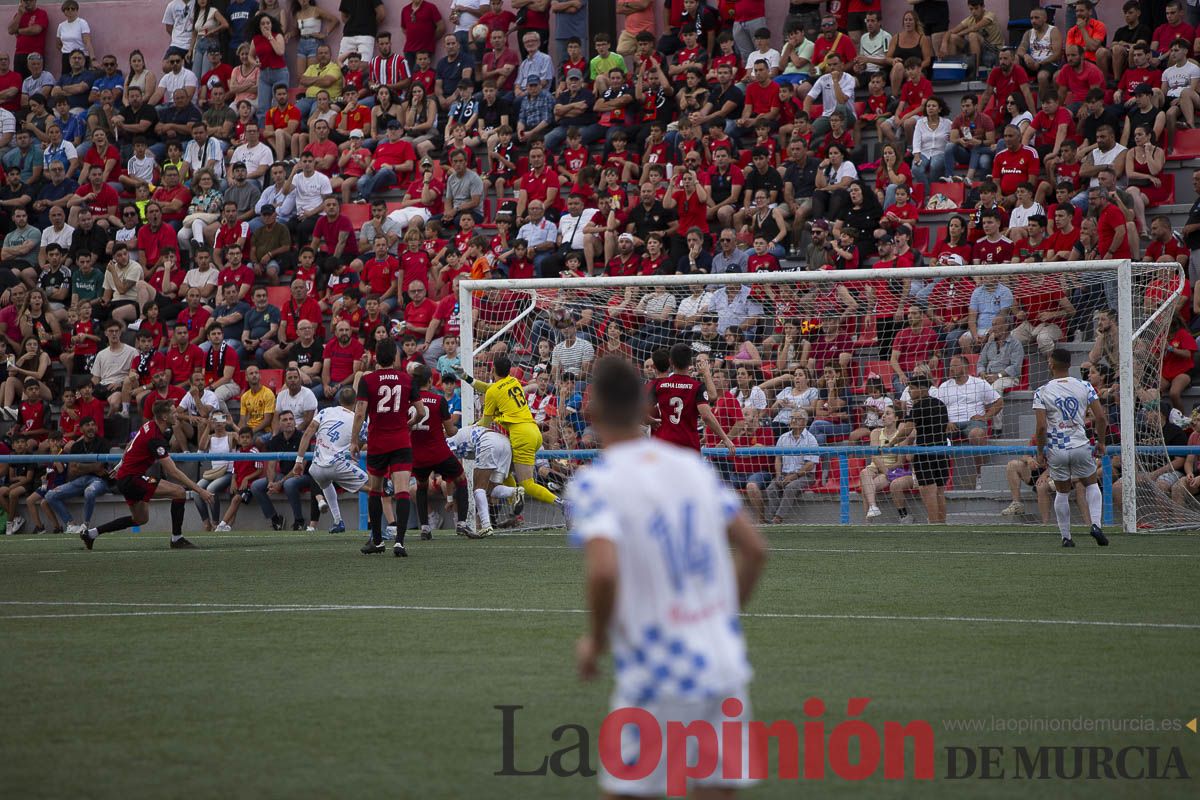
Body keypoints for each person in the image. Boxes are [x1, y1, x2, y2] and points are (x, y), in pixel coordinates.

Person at [568, 356, 767, 797]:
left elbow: (602, 571)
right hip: (722, 666)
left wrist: (595, 641)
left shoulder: (595, 483)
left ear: (591, 411)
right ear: (644, 404)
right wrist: (718, 615)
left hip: (658, 667)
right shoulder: (695, 468)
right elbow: (754, 550)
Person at [79, 400, 214, 549]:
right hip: (132, 479)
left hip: (126, 478)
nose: (177, 415)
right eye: (174, 412)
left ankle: (91, 534)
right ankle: (177, 538)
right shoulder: (155, 439)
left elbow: (131, 443)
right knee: (179, 492)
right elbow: (172, 471)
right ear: (164, 417)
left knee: (140, 519)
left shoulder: (149, 424)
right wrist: (200, 491)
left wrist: (120, 464)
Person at [458, 351, 562, 514]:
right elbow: (488, 387)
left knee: (527, 483)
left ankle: (562, 504)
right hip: (533, 432)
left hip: (521, 436)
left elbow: (485, 421)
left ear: (493, 370)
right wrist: (466, 377)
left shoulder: (493, 392)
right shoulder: (513, 381)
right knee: (503, 467)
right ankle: (514, 502)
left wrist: (470, 427)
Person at [350, 337, 419, 556]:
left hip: (378, 442)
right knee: (402, 491)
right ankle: (399, 542)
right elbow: (422, 411)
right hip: (400, 441)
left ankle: (378, 541)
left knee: (376, 490)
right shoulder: (407, 379)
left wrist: (354, 440)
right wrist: (409, 423)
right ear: (396, 356)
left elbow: (360, 412)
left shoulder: (368, 380)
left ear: (375, 356)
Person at [1034, 348, 1109, 547]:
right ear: (1070, 365)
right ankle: (1096, 525)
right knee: (1091, 484)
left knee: (1062, 491)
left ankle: (1066, 537)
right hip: (1080, 444)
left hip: (1057, 448)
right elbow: (1101, 418)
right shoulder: (1085, 386)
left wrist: (1040, 452)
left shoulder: (1042, 391)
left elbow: (1041, 427)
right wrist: (1101, 442)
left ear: (1051, 363)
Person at [293, 385, 366, 534]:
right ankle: (385, 521)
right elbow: (362, 442)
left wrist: (299, 461)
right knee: (376, 488)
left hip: (316, 468)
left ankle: (338, 521)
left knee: (326, 483)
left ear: (338, 400)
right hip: (337, 466)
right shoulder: (359, 422)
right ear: (356, 402)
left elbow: (307, 434)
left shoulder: (325, 412)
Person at [408, 364, 470, 538]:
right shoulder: (439, 400)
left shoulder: (408, 402)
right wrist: (458, 431)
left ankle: (425, 528)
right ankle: (461, 523)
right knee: (461, 479)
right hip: (439, 453)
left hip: (418, 455)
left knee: (421, 486)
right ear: (430, 381)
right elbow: (451, 431)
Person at [648, 343, 736, 455]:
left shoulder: (659, 385)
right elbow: (706, 415)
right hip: (687, 445)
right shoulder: (696, 386)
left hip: (664, 445)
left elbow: (639, 408)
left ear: (670, 362)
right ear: (690, 362)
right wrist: (725, 438)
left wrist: (649, 420)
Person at [905, 373, 951, 524]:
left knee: (928, 490)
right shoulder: (940, 404)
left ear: (922, 389)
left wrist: (891, 443)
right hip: (942, 451)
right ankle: (942, 523)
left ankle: (933, 523)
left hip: (925, 452)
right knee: (939, 491)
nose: (909, 392)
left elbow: (907, 429)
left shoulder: (918, 406)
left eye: (911, 388)